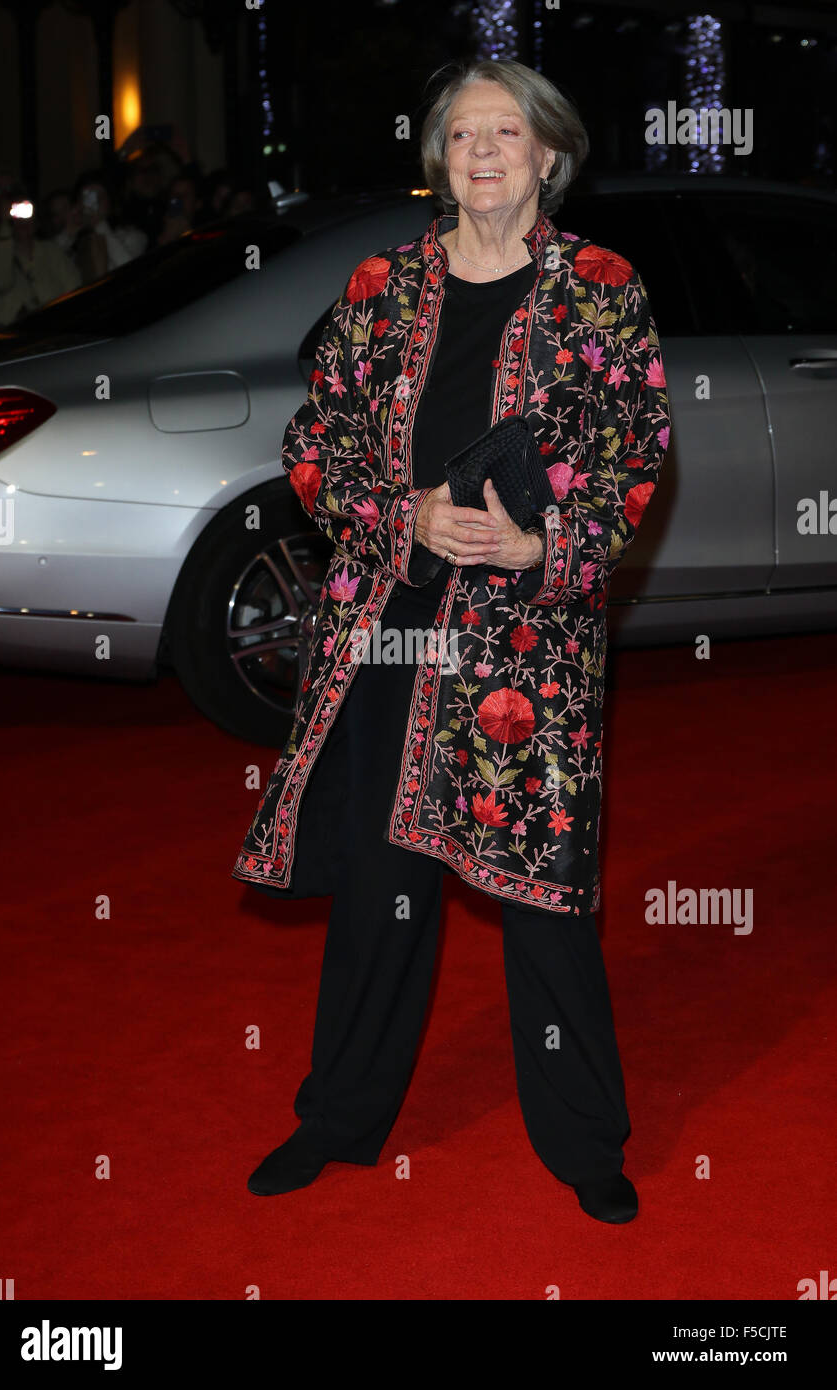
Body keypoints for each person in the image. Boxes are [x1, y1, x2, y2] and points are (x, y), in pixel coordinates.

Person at [232, 59, 671, 1224]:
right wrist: (399, 513)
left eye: (505, 133)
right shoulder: (381, 283)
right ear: (440, 159)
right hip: (389, 624)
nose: (482, 152)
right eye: (462, 135)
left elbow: (636, 451)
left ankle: (585, 1138)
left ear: (546, 155)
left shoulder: (602, 289)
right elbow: (312, 435)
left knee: (540, 892)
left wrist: (543, 550)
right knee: (382, 880)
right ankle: (337, 1117)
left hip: (526, 643)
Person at [0, 179, 80, 325]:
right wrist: (5, 229)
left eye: (27, 210)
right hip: (8, 341)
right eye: (15, 211)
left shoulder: (51, 251)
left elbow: (75, 290)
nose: (22, 219)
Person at [55, 170, 147, 282]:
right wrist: (68, 233)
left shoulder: (132, 236)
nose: (94, 203)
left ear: (110, 200)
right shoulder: (72, 241)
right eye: (87, 197)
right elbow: (48, 265)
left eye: (99, 196)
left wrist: (99, 225)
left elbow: (131, 271)